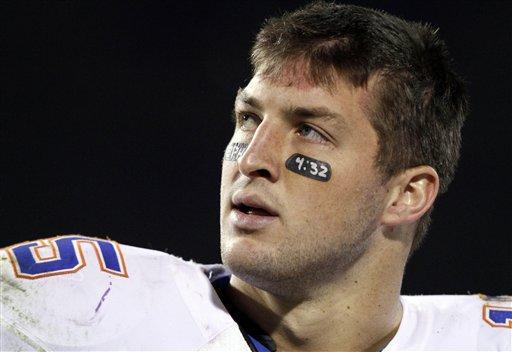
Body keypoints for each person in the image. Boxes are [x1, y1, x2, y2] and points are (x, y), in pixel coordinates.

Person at [1, 2, 510, 351]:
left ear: (406, 194)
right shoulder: (73, 310)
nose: (252, 159)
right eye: (249, 119)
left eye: (309, 130)